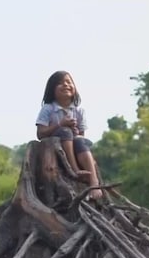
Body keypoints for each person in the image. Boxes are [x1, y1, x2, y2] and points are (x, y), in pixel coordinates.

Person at [35, 71, 103, 199]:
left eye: (68, 82)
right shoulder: (48, 109)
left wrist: (76, 132)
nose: (66, 85)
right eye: (60, 83)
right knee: (65, 132)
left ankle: (94, 182)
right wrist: (60, 124)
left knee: (80, 140)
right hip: (55, 146)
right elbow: (40, 134)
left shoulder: (79, 111)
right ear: (52, 89)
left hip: (74, 144)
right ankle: (74, 169)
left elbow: (82, 135)